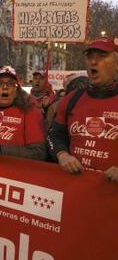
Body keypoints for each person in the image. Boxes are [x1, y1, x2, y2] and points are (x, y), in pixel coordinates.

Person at [48, 37, 118, 181]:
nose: (93, 61)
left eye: (102, 56)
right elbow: (53, 136)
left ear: (116, 64)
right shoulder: (72, 98)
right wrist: (62, 155)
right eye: (89, 57)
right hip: (75, 188)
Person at [0, 66, 47, 161]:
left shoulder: (30, 112)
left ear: (17, 91)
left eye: (11, 84)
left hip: (12, 173)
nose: (5, 87)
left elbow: (38, 153)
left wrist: (0, 150)